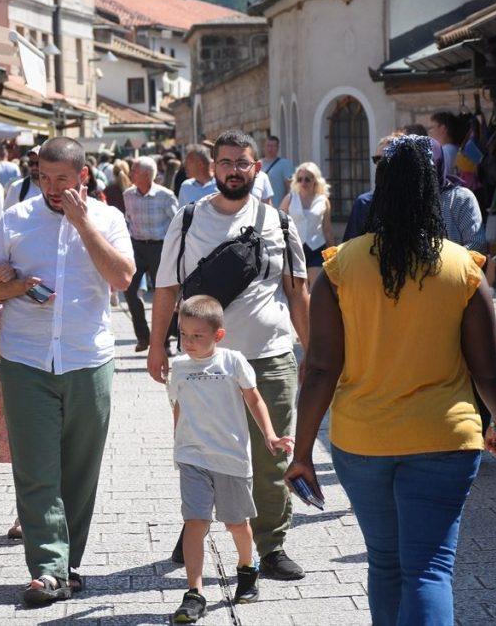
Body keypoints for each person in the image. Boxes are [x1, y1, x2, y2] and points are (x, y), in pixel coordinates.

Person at [286, 134, 496, 625]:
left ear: (380, 188)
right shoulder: (463, 269)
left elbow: (321, 368)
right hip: (445, 438)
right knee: (429, 569)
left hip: (362, 439)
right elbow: (489, 370)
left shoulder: (340, 267)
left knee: (385, 563)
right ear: (433, 190)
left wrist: (302, 452)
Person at [0, 137, 136, 606]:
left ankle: (70, 564)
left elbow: (123, 278)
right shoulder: (18, 218)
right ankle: (47, 569)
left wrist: (85, 226)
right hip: (26, 360)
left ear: (82, 177)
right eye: (44, 177)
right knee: (36, 468)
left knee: (80, 471)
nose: (51, 187)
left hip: (89, 360)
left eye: (61, 178)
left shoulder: (108, 219)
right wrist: (14, 284)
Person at [149, 129, 310, 581]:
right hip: (204, 362)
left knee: (271, 453)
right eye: (225, 162)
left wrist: (313, 352)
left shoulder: (279, 223)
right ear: (211, 167)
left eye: (243, 162)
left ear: (256, 168)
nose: (234, 170)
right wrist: (158, 345)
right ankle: (194, 527)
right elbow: (166, 287)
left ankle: (272, 545)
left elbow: (297, 293)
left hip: (269, 355)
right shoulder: (186, 221)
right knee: (201, 449)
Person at [168, 295, 294, 623]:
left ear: (218, 336)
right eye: (184, 334)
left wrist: (269, 435)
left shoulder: (232, 362)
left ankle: (247, 569)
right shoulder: (179, 367)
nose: (189, 342)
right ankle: (194, 594)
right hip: (193, 459)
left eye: (198, 336)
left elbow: (254, 399)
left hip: (232, 459)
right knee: (195, 523)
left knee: (237, 524)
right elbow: (178, 407)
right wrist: (177, 444)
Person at [123, 157, 179, 353]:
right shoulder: (128, 195)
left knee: (164, 295)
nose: (130, 174)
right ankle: (143, 337)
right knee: (129, 290)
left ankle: (164, 342)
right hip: (137, 247)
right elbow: (128, 221)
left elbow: (176, 225)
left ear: (146, 175)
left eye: (134, 171)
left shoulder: (165, 196)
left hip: (160, 248)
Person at [280, 162, 333, 288]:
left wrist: (333, 254)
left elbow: (327, 229)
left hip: (316, 248)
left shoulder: (323, 200)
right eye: (300, 179)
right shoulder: (290, 198)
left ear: (315, 180)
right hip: (294, 248)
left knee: (315, 288)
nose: (303, 182)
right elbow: (279, 223)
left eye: (307, 179)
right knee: (298, 288)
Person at [343, 135, 396, 242]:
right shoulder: (364, 203)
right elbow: (349, 247)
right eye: (377, 159)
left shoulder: (415, 202)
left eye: (386, 159)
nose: (380, 164)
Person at [262, 135, 294, 206]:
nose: (270, 149)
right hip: (260, 209)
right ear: (264, 147)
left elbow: (290, 188)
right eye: (268, 146)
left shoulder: (285, 164)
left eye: (273, 146)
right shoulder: (258, 164)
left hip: (278, 208)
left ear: (277, 148)